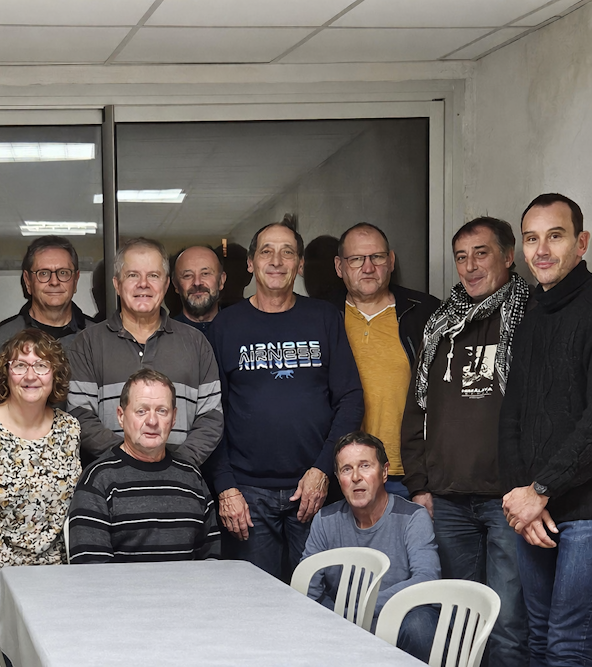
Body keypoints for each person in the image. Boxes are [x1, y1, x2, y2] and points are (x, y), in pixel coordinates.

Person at [401, 216, 531, 666]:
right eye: (461, 257)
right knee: (457, 624)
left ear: (508, 257)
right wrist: (419, 484)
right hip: (448, 500)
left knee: (508, 625)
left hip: (508, 501)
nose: (470, 266)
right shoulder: (440, 324)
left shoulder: (530, 316)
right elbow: (415, 409)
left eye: (481, 253)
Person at [206, 222, 363, 581]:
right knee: (256, 601)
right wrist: (226, 486)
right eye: (267, 252)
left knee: (319, 598)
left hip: (314, 488)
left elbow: (351, 398)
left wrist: (323, 469)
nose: (276, 261)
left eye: (287, 252)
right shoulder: (225, 326)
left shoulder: (324, 318)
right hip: (246, 496)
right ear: (251, 263)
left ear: (300, 264)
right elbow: (211, 412)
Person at [500, 193, 592, 664]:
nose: (541, 250)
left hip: (584, 513)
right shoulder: (532, 317)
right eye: (531, 238)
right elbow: (511, 414)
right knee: (537, 636)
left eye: (555, 236)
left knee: (567, 643)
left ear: (582, 243)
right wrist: (523, 497)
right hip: (535, 511)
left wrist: (541, 489)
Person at [0, 329, 81, 621]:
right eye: (20, 365)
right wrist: (20, 579)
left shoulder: (69, 430)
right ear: (5, 374)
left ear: (55, 374)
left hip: (54, 579)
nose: (30, 376)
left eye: (42, 365)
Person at [67, 237, 223, 467]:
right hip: (111, 480)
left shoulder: (196, 342)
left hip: (180, 479)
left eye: (153, 275)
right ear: (117, 284)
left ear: (166, 284)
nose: (143, 284)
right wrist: (129, 461)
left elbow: (211, 417)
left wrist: (176, 466)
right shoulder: (87, 343)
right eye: (133, 275)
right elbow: (80, 416)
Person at [302, 432, 440, 662]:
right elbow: (307, 588)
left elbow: (427, 579)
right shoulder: (325, 520)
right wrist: (334, 619)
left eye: (365, 466)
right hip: (342, 621)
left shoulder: (413, 517)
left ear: (384, 472)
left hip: (398, 617)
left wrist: (361, 610)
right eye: (347, 469)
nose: (356, 477)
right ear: (338, 478)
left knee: (421, 624)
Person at [330, 222, 440, 498]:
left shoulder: (425, 313)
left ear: (390, 261)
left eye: (377, 257)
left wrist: (424, 480)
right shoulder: (323, 316)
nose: (368, 267)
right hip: (342, 475)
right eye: (356, 259)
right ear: (339, 266)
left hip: (410, 476)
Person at [68, 369, 221, 563]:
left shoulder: (191, 477)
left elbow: (211, 560)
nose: (152, 421)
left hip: (188, 584)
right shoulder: (97, 480)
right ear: (121, 416)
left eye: (162, 411)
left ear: (174, 418)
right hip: (120, 585)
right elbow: (91, 568)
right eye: (141, 411)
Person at [0, 236, 91, 408]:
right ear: (28, 281)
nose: (54, 282)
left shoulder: (97, 336)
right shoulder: (0, 338)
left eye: (63, 273)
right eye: (43, 273)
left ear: (75, 280)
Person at [172, 245, 226, 334]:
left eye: (205, 274)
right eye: (187, 275)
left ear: (221, 280)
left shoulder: (238, 329)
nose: (197, 282)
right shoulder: (166, 336)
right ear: (176, 284)